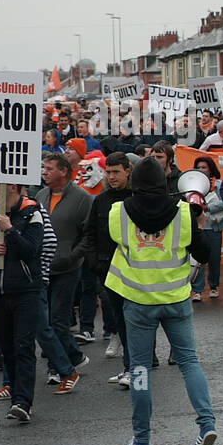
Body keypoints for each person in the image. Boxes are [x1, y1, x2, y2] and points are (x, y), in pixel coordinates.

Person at [106, 157, 217, 445]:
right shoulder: (182, 212)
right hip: (176, 299)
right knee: (189, 363)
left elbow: (112, 245)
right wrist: (199, 225)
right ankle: (207, 424)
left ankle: (142, 438)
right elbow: (204, 254)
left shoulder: (118, 212)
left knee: (140, 369)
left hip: (139, 302)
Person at [0, 183, 47, 422]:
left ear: (12, 187)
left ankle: (23, 401)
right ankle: (15, 393)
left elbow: (32, 250)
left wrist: (11, 232)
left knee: (24, 346)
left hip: (25, 289)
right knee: (7, 349)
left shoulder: (32, 213)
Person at [35, 153, 92, 379]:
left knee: (57, 319)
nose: (45, 173)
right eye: (44, 169)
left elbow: (88, 234)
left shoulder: (82, 198)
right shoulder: (40, 195)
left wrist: (73, 256)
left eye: (49, 169)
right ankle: (74, 356)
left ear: (64, 171)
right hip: (42, 266)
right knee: (43, 321)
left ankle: (56, 367)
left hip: (67, 268)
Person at [82, 153, 134, 383]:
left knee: (133, 319)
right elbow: (90, 234)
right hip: (108, 269)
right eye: (108, 172)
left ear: (128, 171)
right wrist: (95, 263)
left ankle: (137, 366)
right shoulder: (101, 201)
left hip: (135, 270)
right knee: (119, 319)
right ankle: (130, 367)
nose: (111, 176)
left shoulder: (136, 198)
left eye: (116, 172)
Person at [188, 156, 223, 305]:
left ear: (210, 168)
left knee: (214, 258)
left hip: (214, 226)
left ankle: (213, 286)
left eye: (204, 167)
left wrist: (207, 207)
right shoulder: (191, 184)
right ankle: (197, 290)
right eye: (198, 167)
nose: (201, 170)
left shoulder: (218, 184)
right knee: (197, 259)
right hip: (198, 227)